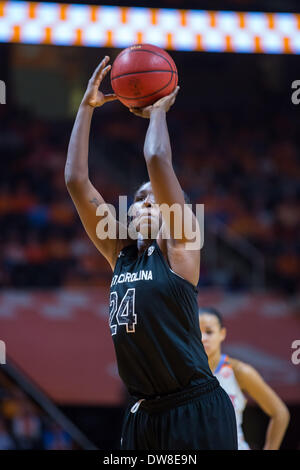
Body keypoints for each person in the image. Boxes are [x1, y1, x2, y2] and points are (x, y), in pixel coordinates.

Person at [65, 56, 237, 450]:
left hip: (195, 409)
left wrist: (157, 108)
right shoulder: (119, 253)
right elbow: (76, 180)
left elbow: (157, 158)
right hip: (143, 414)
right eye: (139, 198)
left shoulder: (181, 248)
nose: (144, 203)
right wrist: (85, 107)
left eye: (154, 199)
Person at [199, 307, 290, 450]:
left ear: (222, 334)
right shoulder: (181, 373)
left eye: (209, 332)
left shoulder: (239, 371)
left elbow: (280, 413)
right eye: (196, 332)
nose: (202, 338)